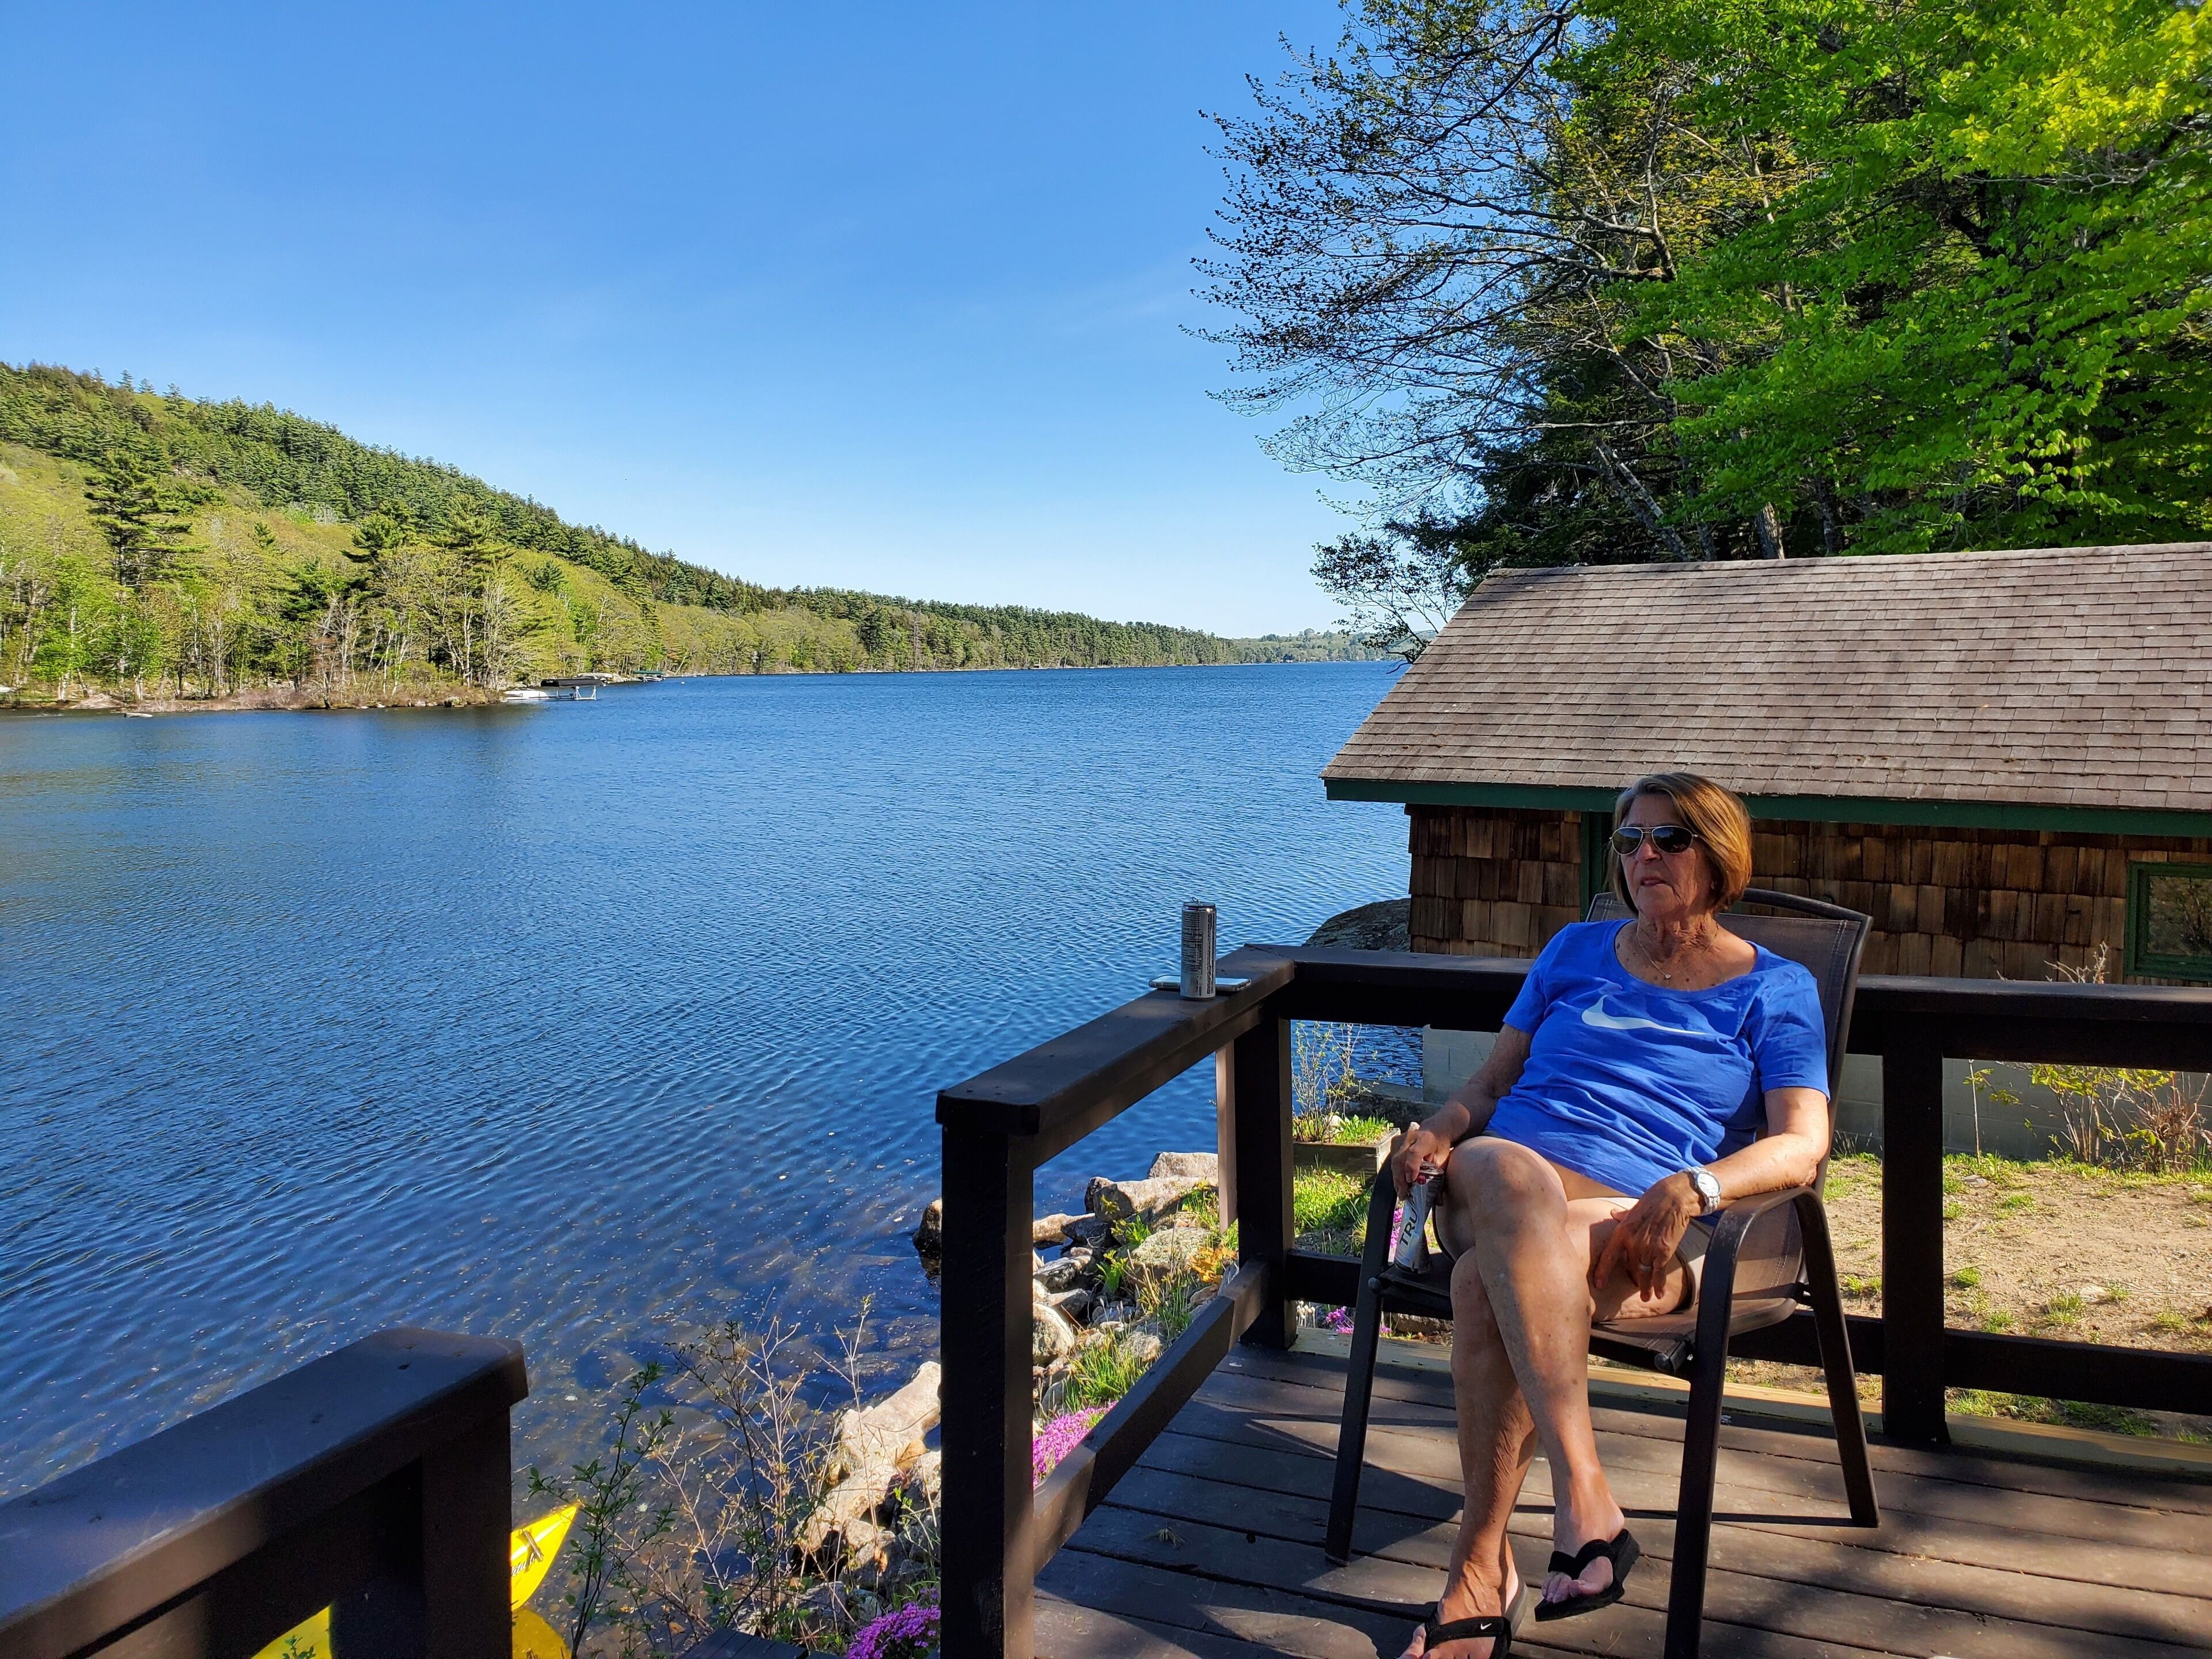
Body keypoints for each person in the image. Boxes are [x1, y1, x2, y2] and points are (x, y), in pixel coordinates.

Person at [1394, 772, 1831, 1659]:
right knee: (1513, 1182)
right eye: (1629, 842)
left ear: (1719, 857)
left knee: (1487, 1284)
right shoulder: (1573, 951)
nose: (1644, 858)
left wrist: (1696, 1186)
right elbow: (1490, 1084)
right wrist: (1441, 1125)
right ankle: (1584, 1496)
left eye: (1668, 841)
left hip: (1638, 1223)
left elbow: (1801, 1145)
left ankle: (1481, 1573)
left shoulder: (1775, 991)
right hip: (1495, 1181)